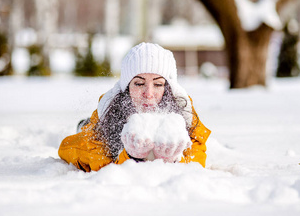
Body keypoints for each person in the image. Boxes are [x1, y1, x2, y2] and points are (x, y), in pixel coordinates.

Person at [59, 42, 211, 172]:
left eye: (158, 84)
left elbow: (197, 158)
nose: (149, 94)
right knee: (85, 127)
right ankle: (83, 124)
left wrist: (175, 160)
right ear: (127, 86)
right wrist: (131, 157)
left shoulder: (181, 107)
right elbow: (72, 150)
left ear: (168, 88)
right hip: (94, 127)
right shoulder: (108, 109)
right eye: (139, 83)